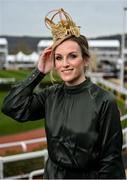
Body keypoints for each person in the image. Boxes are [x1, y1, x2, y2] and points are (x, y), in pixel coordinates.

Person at [1, 8, 126, 179]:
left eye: (72, 56)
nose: (65, 64)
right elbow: (11, 106)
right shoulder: (50, 95)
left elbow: (111, 162)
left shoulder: (104, 101)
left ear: (86, 60)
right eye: (59, 58)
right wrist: (39, 71)